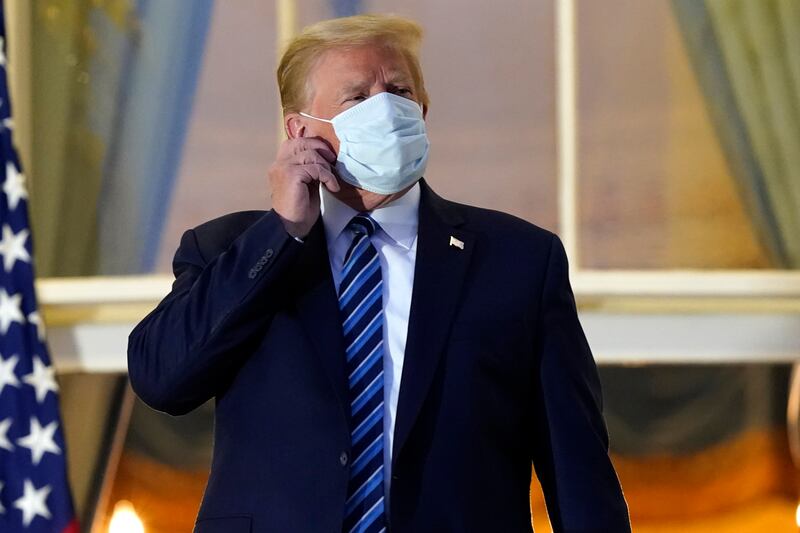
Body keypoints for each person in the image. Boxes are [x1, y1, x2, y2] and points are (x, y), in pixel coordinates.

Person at [128, 14, 631, 533]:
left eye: (398, 91)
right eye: (357, 98)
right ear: (300, 131)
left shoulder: (519, 261)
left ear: (424, 109)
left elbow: (578, 472)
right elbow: (161, 379)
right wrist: (282, 232)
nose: (385, 110)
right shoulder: (227, 249)